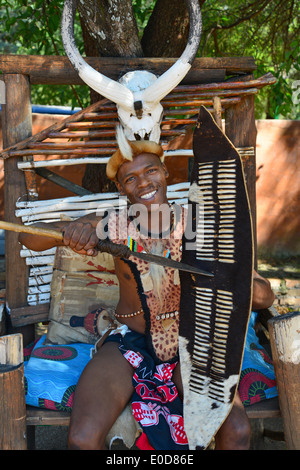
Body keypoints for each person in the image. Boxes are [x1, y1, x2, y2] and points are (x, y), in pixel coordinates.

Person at [19, 128, 275, 450]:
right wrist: (73, 231)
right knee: (82, 438)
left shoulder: (201, 227)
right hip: (128, 342)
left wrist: (226, 278)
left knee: (236, 431)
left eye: (150, 170)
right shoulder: (111, 225)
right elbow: (26, 237)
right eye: (131, 178)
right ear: (120, 187)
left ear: (166, 172)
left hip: (191, 343)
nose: (143, 183)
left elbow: (266, 295)